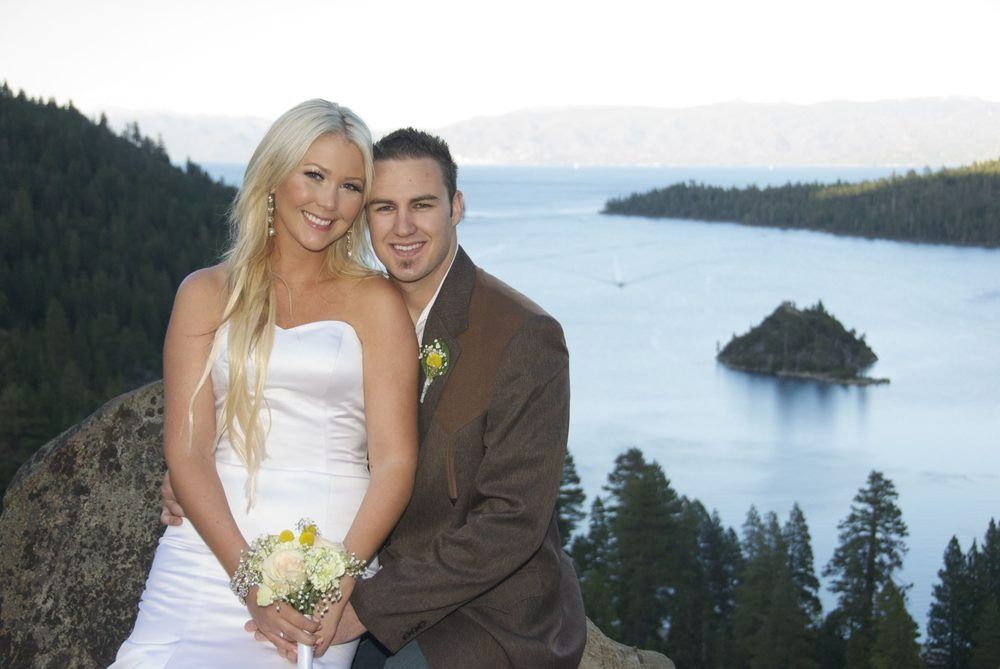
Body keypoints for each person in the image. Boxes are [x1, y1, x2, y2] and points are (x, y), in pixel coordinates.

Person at [165, 129, 587, 667]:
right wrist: (198, 461)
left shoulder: (522, 334)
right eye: (384, 207)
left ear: (456, 207)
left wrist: (364, 607)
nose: (403, 227)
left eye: (423, 205)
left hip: (479, 613)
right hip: (356, 578)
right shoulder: (355, 308)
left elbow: (511, 522)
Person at [115, 100, 418, 668]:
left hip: (326, 561)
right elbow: (188, 452)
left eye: (351, 186)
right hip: (209, 548)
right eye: (314, 175)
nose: (329, 202)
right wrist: (247, 580)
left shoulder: (377, 303)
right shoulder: (205, 293)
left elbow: (396, 460)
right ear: (274, 176)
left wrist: (344, 576)